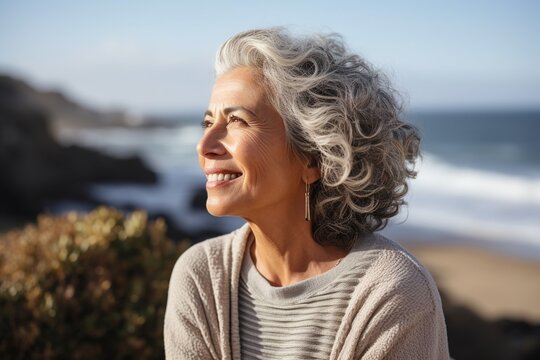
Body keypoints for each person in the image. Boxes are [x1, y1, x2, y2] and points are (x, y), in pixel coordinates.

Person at [164, 27, 449, 359]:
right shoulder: (203, 277)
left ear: (315, 157)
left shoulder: (391, 291)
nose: (205, 146)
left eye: (238, 121)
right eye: (208, 122)